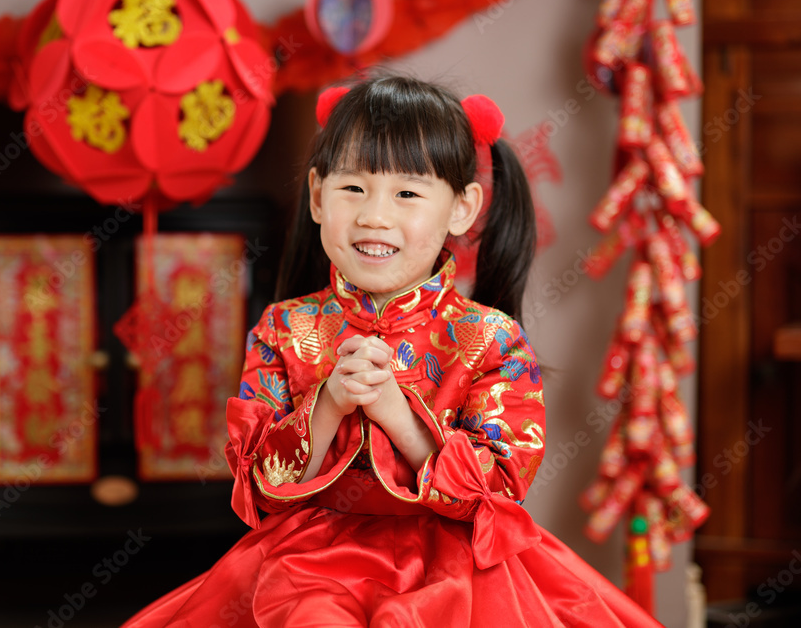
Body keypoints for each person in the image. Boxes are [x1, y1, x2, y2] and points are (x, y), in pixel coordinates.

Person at [122, 75, 663, 627]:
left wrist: (397, 416)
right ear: (317, 196)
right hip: (307, 567)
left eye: (407, 193)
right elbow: (264, 487)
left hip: (457, 572)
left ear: (462, 207)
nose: (374, 216)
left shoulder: (491, 339)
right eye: (353, 188)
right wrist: (328, 404)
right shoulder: (284, 328)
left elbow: (497, 492)